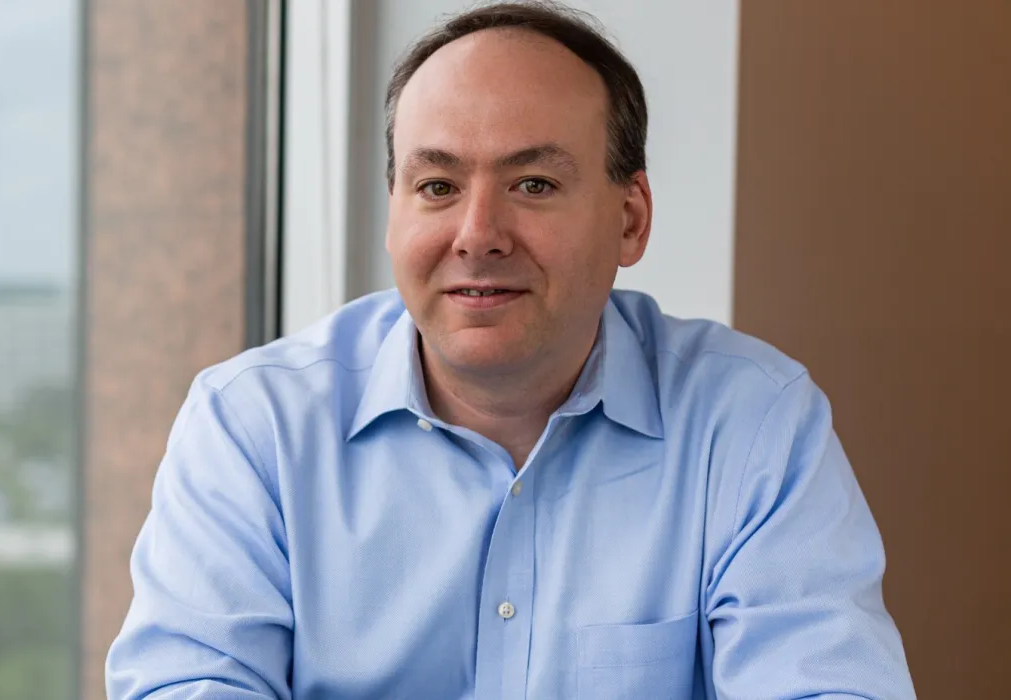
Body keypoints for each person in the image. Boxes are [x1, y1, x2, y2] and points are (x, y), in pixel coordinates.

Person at [105, 2, 915, 699]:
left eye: (534, 185)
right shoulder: (254, 426)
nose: (478, 235)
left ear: (629, 218)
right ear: (393, 214)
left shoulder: (751, 423)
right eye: (437, 187)